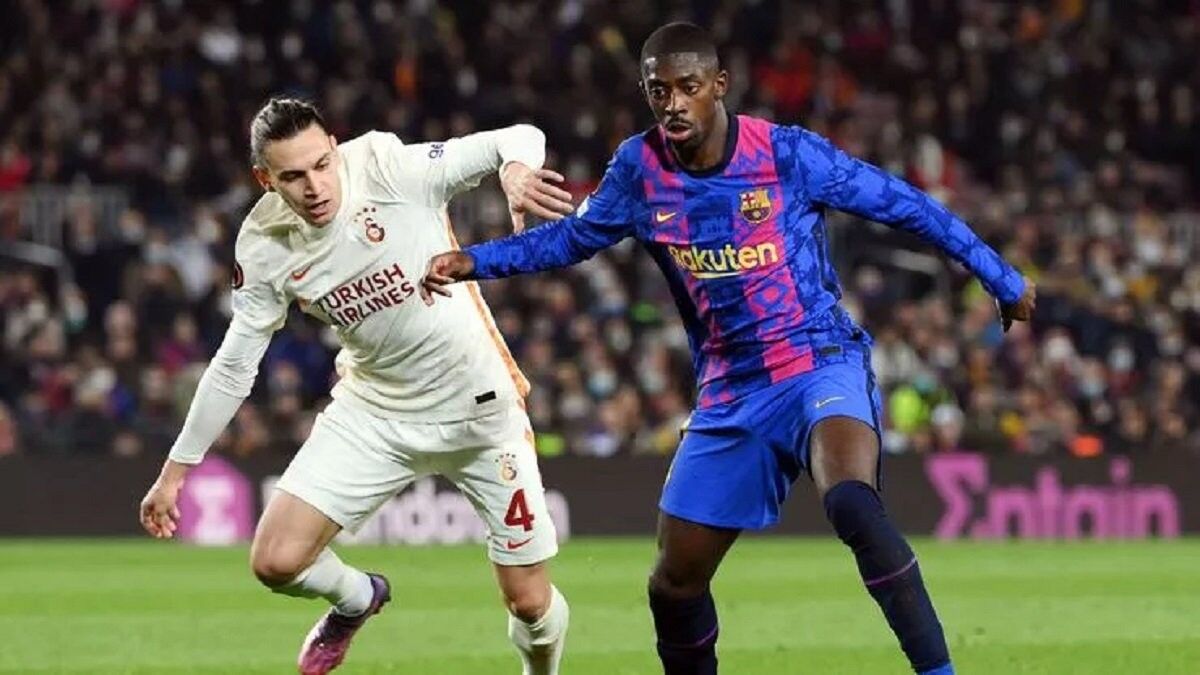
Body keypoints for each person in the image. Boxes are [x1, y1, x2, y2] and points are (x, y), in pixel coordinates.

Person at [421, 23, 1036, 675]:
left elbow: (904, 204)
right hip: (730, 391)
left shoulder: (786, 155)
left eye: (688, 87)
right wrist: (475, 260)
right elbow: (573, 239)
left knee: (851, 501)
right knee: (672, 585)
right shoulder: (639, 169)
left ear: (719, 86)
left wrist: (999, 275)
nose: (673, 104)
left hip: (817, 363)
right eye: (659, 91)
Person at [138, 98, 575, 675]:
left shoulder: (388, 167)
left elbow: (517, 134)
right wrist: (175, 473)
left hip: (478, 411)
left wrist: (515, 170)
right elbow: (234, 364)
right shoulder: (264, 244)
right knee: (275, 561)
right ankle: (357, 598)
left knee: (529, 604)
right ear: (266, 180)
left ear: (335, 149)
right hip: (375, 410)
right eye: (293, 176)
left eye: (323, 164)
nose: (315, 186)